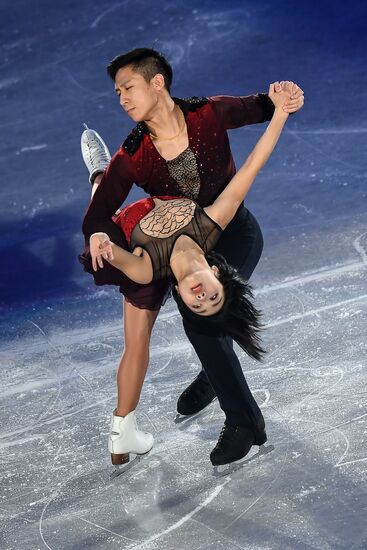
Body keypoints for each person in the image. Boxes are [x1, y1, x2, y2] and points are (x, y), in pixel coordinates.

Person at [80, 47, 304, 468]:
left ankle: (241, 421)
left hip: (233, 233)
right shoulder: (132, 156)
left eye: (128, 88)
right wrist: (100, 236)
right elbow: (97, 216)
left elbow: (260, 107)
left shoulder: (208, 113)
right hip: (171, 247)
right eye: (117, 94)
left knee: (203, 322)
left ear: (157, 82)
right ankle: (222, 383)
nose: (122, 99)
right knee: (202, 321)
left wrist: (284, 99)